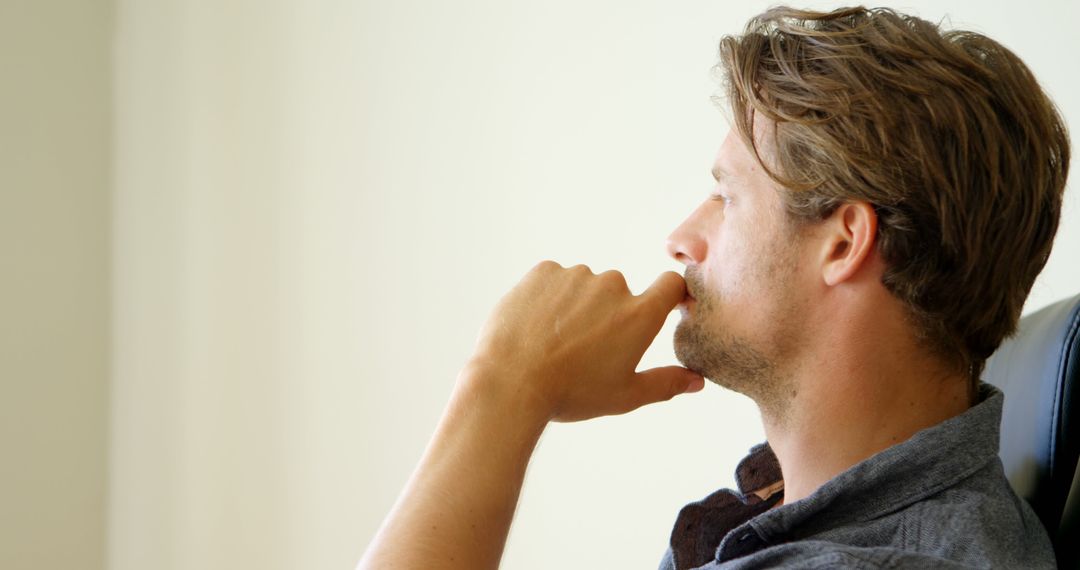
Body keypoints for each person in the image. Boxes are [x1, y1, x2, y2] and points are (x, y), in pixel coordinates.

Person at [359, 6, 1070, 569]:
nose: (680, 239)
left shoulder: (880, 562)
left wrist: (503, 386)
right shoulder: (784, 513)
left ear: (845, 242)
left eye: (726, 198)